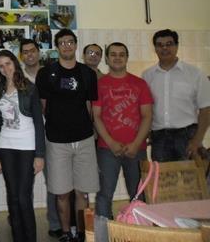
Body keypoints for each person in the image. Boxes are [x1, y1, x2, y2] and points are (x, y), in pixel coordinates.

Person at [36, 29, 99, 242]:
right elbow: (43, 106)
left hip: (84, 139)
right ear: (57, 46)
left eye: (70, 42)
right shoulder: (46, 73)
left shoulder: (87, 74)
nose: (67, 46)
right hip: (56, 141)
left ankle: (82, 233)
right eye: (62, 42)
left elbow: (91, 107)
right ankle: (66, 233)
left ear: (75, 44)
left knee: (82, 192)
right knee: (61, 193)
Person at [92, 42, 153, 219]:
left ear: (127, 57)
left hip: (137, 149)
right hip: (107, 149)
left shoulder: (140, 84)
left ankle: (141, 231)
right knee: (104, 194)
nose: (117, 57)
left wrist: (135, 145)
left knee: (140, 194)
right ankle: (104, 233)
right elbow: (96, 116)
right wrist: (110, 143)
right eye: (113, 54)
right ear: (107, 59)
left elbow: (147, 116)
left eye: (121, 54)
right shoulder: (99, 84)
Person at [0, 50, 45, 242]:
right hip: (6, 147)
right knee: (12, 197)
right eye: (1, 65)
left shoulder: (29, 88)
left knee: (23, 197)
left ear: (15, 63)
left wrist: (40, 155)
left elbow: (39, 122)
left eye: (8, 63)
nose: (5, 68)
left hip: (27, 147)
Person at [142, 29, 210, 162]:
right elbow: (146, 109)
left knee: (189, 181)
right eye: (160, 45)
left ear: (177, 46)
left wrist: (197, 140)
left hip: (188, 137)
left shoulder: (195, 74)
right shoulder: (147, 76)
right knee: (162, 180)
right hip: (159, 138)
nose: (165, 48)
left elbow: (206, 109)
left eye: (169, 44)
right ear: (155, 48)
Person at [20, 39, 63, 238]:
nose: (29, 55)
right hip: (26, 138)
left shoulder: (51, 74)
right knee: (24, 184)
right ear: (21, 56)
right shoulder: (17, 77)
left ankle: (55, 223)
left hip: (51, 135)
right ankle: (21, 221)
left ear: (39, 52)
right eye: (25, 52)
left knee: (53, 182)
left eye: (32, 51)